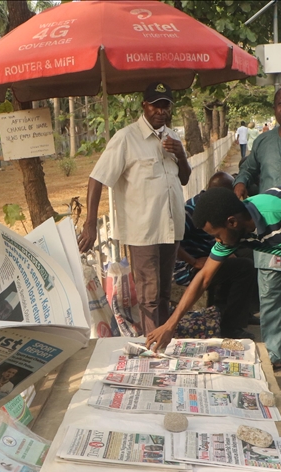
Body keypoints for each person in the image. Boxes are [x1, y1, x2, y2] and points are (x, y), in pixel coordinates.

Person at [146, 184, 281, 450]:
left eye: (217, 235)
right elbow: (203, 278)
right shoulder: (234, 231)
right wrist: (170, 324)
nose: (217, 242)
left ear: (231, 222)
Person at [78, 82, 191, 335]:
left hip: (171, 229)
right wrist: (90, 224)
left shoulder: (172, 137)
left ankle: (162, 341)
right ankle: (154, 348)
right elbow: (97, 178)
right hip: (144, 232)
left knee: (163, 292)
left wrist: (181, 154)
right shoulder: (126, 138)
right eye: (155, 105)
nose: (160, 111)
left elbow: (184, 178)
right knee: (149, 296)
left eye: (165, 106)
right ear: (144, 105)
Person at [232, 85, 281, 371]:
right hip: (269, 230)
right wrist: (240, 181)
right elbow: (248, 168)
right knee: (270, 296)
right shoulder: (263, 142)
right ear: (275, 108)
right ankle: (274, 354)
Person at [172, 172, 256, 340]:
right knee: (244, 268)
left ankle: (244, 311)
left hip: (210, 254)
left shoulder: (217, 209)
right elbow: (173, 242)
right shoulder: (191, 211)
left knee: (250, 253)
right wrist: (193, 261)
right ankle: (230, 327)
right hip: (188, 267)